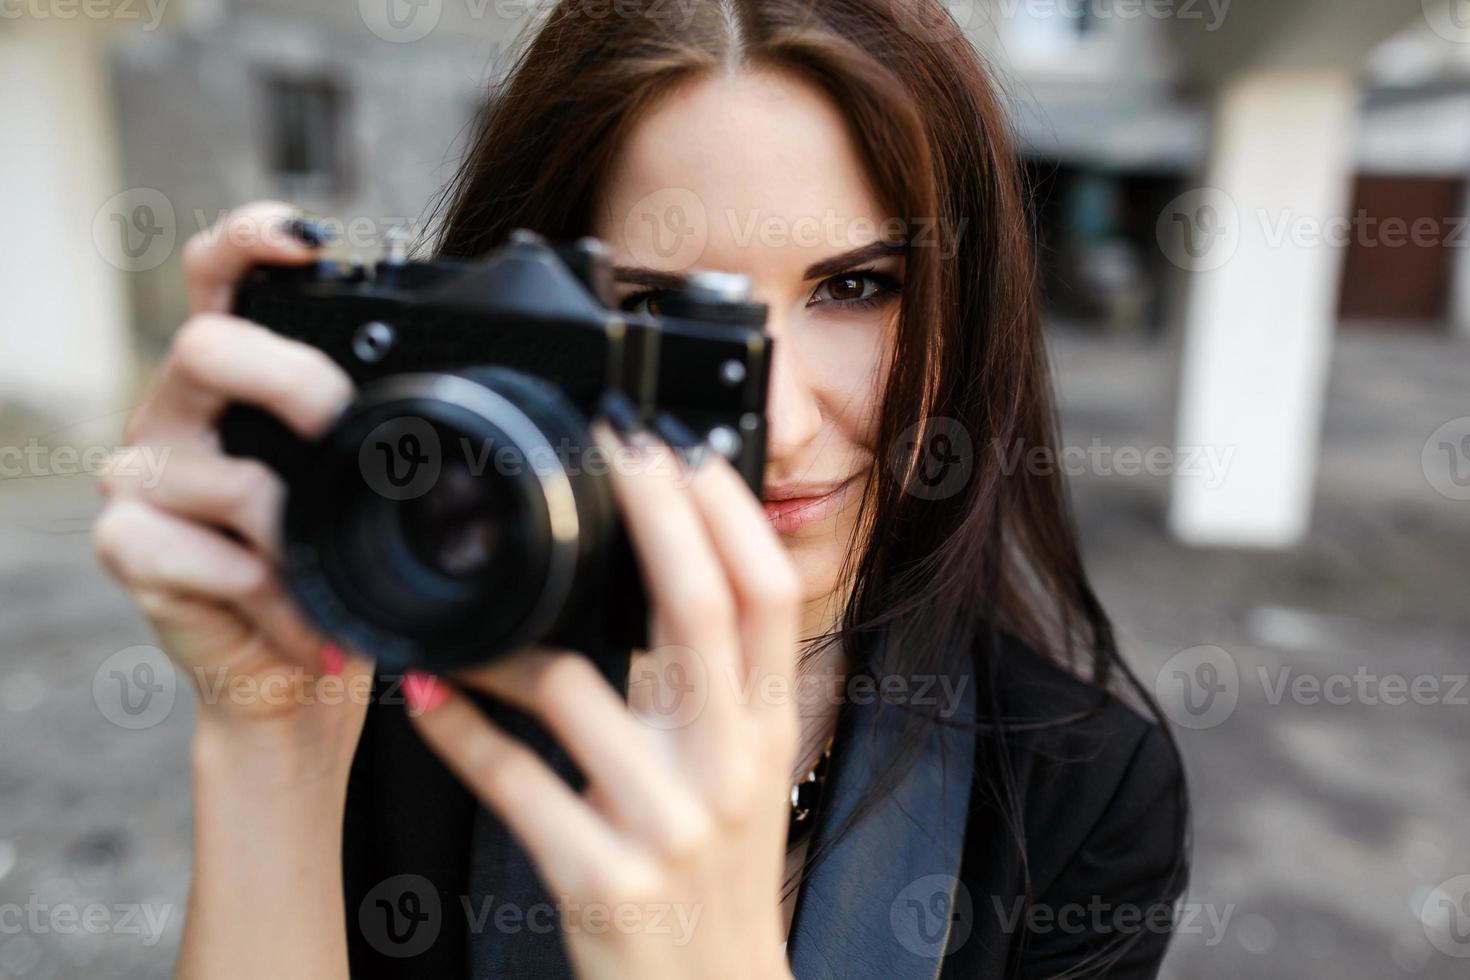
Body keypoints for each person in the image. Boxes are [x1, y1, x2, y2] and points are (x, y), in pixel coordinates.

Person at [93, 1, 1189, 977]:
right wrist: (269, 741)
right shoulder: (394, 686)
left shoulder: (1080, 795)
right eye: (661, 312)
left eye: (856, 287)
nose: (783, 423)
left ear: (968, 306)